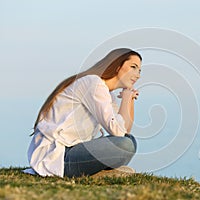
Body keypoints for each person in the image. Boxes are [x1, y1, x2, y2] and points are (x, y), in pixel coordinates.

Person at [24, 48, 142, 178]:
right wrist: (126, 99)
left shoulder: (107, 94)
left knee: (129, 141)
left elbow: (123, 131)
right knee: (126, 144)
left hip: (74, 151)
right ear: (117, 66)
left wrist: (129, 98)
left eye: (139, 70)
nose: (138, 75)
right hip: (59, 156)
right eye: (133, 67)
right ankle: (97, 172)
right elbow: (118, 133)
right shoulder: (93, 83)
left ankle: (98, 172)